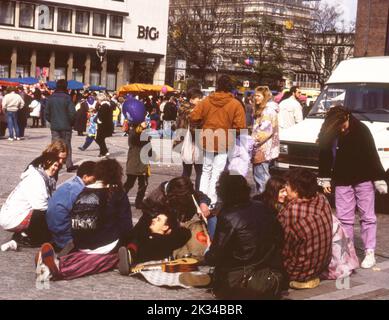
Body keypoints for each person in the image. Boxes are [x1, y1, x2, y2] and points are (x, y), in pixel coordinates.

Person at [35, 158, 133, 281]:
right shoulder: (117, 192)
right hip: (102, 243)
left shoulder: (84, 190)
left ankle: (56, 262)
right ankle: (57, 271)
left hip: (78, 239)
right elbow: (126, 225)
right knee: (105, 258)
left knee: (85, 253)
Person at [317, 106, 388, 269]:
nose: (341, 129)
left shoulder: (362, 130)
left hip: (363, 178)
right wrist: (325, 179)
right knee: (344, 218)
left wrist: (379, 178)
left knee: (367, 216)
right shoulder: (331, 129)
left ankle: (370, 251)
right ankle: (345, 252)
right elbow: (325, 154)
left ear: (348, 117)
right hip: (342, 179)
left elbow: (372, 155)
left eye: (343, 125)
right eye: (338, 127)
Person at [205, 171, 285, 300]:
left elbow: (214, 257)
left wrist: (208, 250)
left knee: (219, 274)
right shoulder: (262, 207)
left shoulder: (228, 216)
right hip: (270, 272)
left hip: (242, 278)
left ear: (223, 192)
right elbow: (280, 238)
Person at [190, 75, 246, 209]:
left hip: (207, 138)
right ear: (230, 87)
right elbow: (241, 127)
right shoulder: (235, 104)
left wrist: (203, 124)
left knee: (206, 171)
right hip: (224, 140)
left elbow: (193, 117)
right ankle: (211, 202)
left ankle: (201, 199)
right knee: (217, 172)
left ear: (217, 85)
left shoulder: (206, 101)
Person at [277, 168, 333, 289]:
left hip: (298, 271)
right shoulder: (322, 199)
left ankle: (297, 280)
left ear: (296, 190)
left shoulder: (292, 210)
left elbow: (282, 245)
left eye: (287, 185)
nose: (285, 187)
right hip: (321, 266)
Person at [117, 197, 191, 275]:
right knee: (133, 238)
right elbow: (135, 230)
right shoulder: (145, 232)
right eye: (155, 218)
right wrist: (147, 214)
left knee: (136, 241)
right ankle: (128, 256)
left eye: (158, 219)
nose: (153, 219)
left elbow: (185, 233)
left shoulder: (168, 240)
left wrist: (171, 231)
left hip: (145, 253)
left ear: (165, 227)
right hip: (138, 248)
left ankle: (129, 257)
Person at [0, 152, 60, 247]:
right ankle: (28, 238)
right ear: (47, 163)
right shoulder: (37, 179)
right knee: (43, 212)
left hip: (12, 214)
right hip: (12, 218)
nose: (56, 168)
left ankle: (24, 235)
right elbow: (41, 206)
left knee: (46, 212)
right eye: (55, 165)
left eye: (58, 166)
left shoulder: (43, 176)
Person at [46, 161, 96, 251]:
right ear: (85, 177)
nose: (95, 182)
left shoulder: (68, 185)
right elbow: (85, 222)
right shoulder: (81, 191)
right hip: (66, 235)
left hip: (54, 230)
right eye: (94, 179)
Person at [251, 86, 280, 193]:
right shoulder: (266, 110)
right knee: (261, 176)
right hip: (264, 148)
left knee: (262, 177)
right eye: (255, 95)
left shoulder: (268, 111)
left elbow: (265, 132)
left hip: (263, 149)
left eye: (258, 96)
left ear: (265, 97)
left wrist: (251, 142)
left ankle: (265, 201)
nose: (256, 98)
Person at [45, 79, 78, 172]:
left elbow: (46, 113)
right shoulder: (67, 98)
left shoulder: (51, 98)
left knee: (55, 146)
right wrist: (71, 123)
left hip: (55, 126)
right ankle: (68, 165)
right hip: (66, 126)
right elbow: (72, 113)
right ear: (65, 87)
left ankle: (53, 163)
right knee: (67, 145)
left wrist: (52, 121)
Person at [176, 88, 203, 191]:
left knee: (187, 170)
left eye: (201, 98)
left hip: (184, 143)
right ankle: (197, 194)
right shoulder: (193, 111)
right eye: (198, 98)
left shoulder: (182, 109)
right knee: (199, 171)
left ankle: (183, 192)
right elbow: (194, 128)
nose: (200, 100)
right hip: (193, 143)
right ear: (191, 100)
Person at [123, 120, 151, 209]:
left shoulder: (144, 133)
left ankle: (138, 202)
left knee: (143, 184)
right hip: (135, 162)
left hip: (143, 164)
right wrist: (141, 128)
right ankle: (119, 198)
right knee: (129, 183)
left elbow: (149, 147)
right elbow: (135, 135)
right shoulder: (133, 133)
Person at [95, 93, 113, 157]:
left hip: (103, 125)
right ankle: (102, 152)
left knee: (98, 139)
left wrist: (98, 120)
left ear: (100, 99)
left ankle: (105, 151)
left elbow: (102, 116)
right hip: (106, 125)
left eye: (97, 99)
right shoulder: (107, 105)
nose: (97, 101)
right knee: (100, 139)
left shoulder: (104, 106)